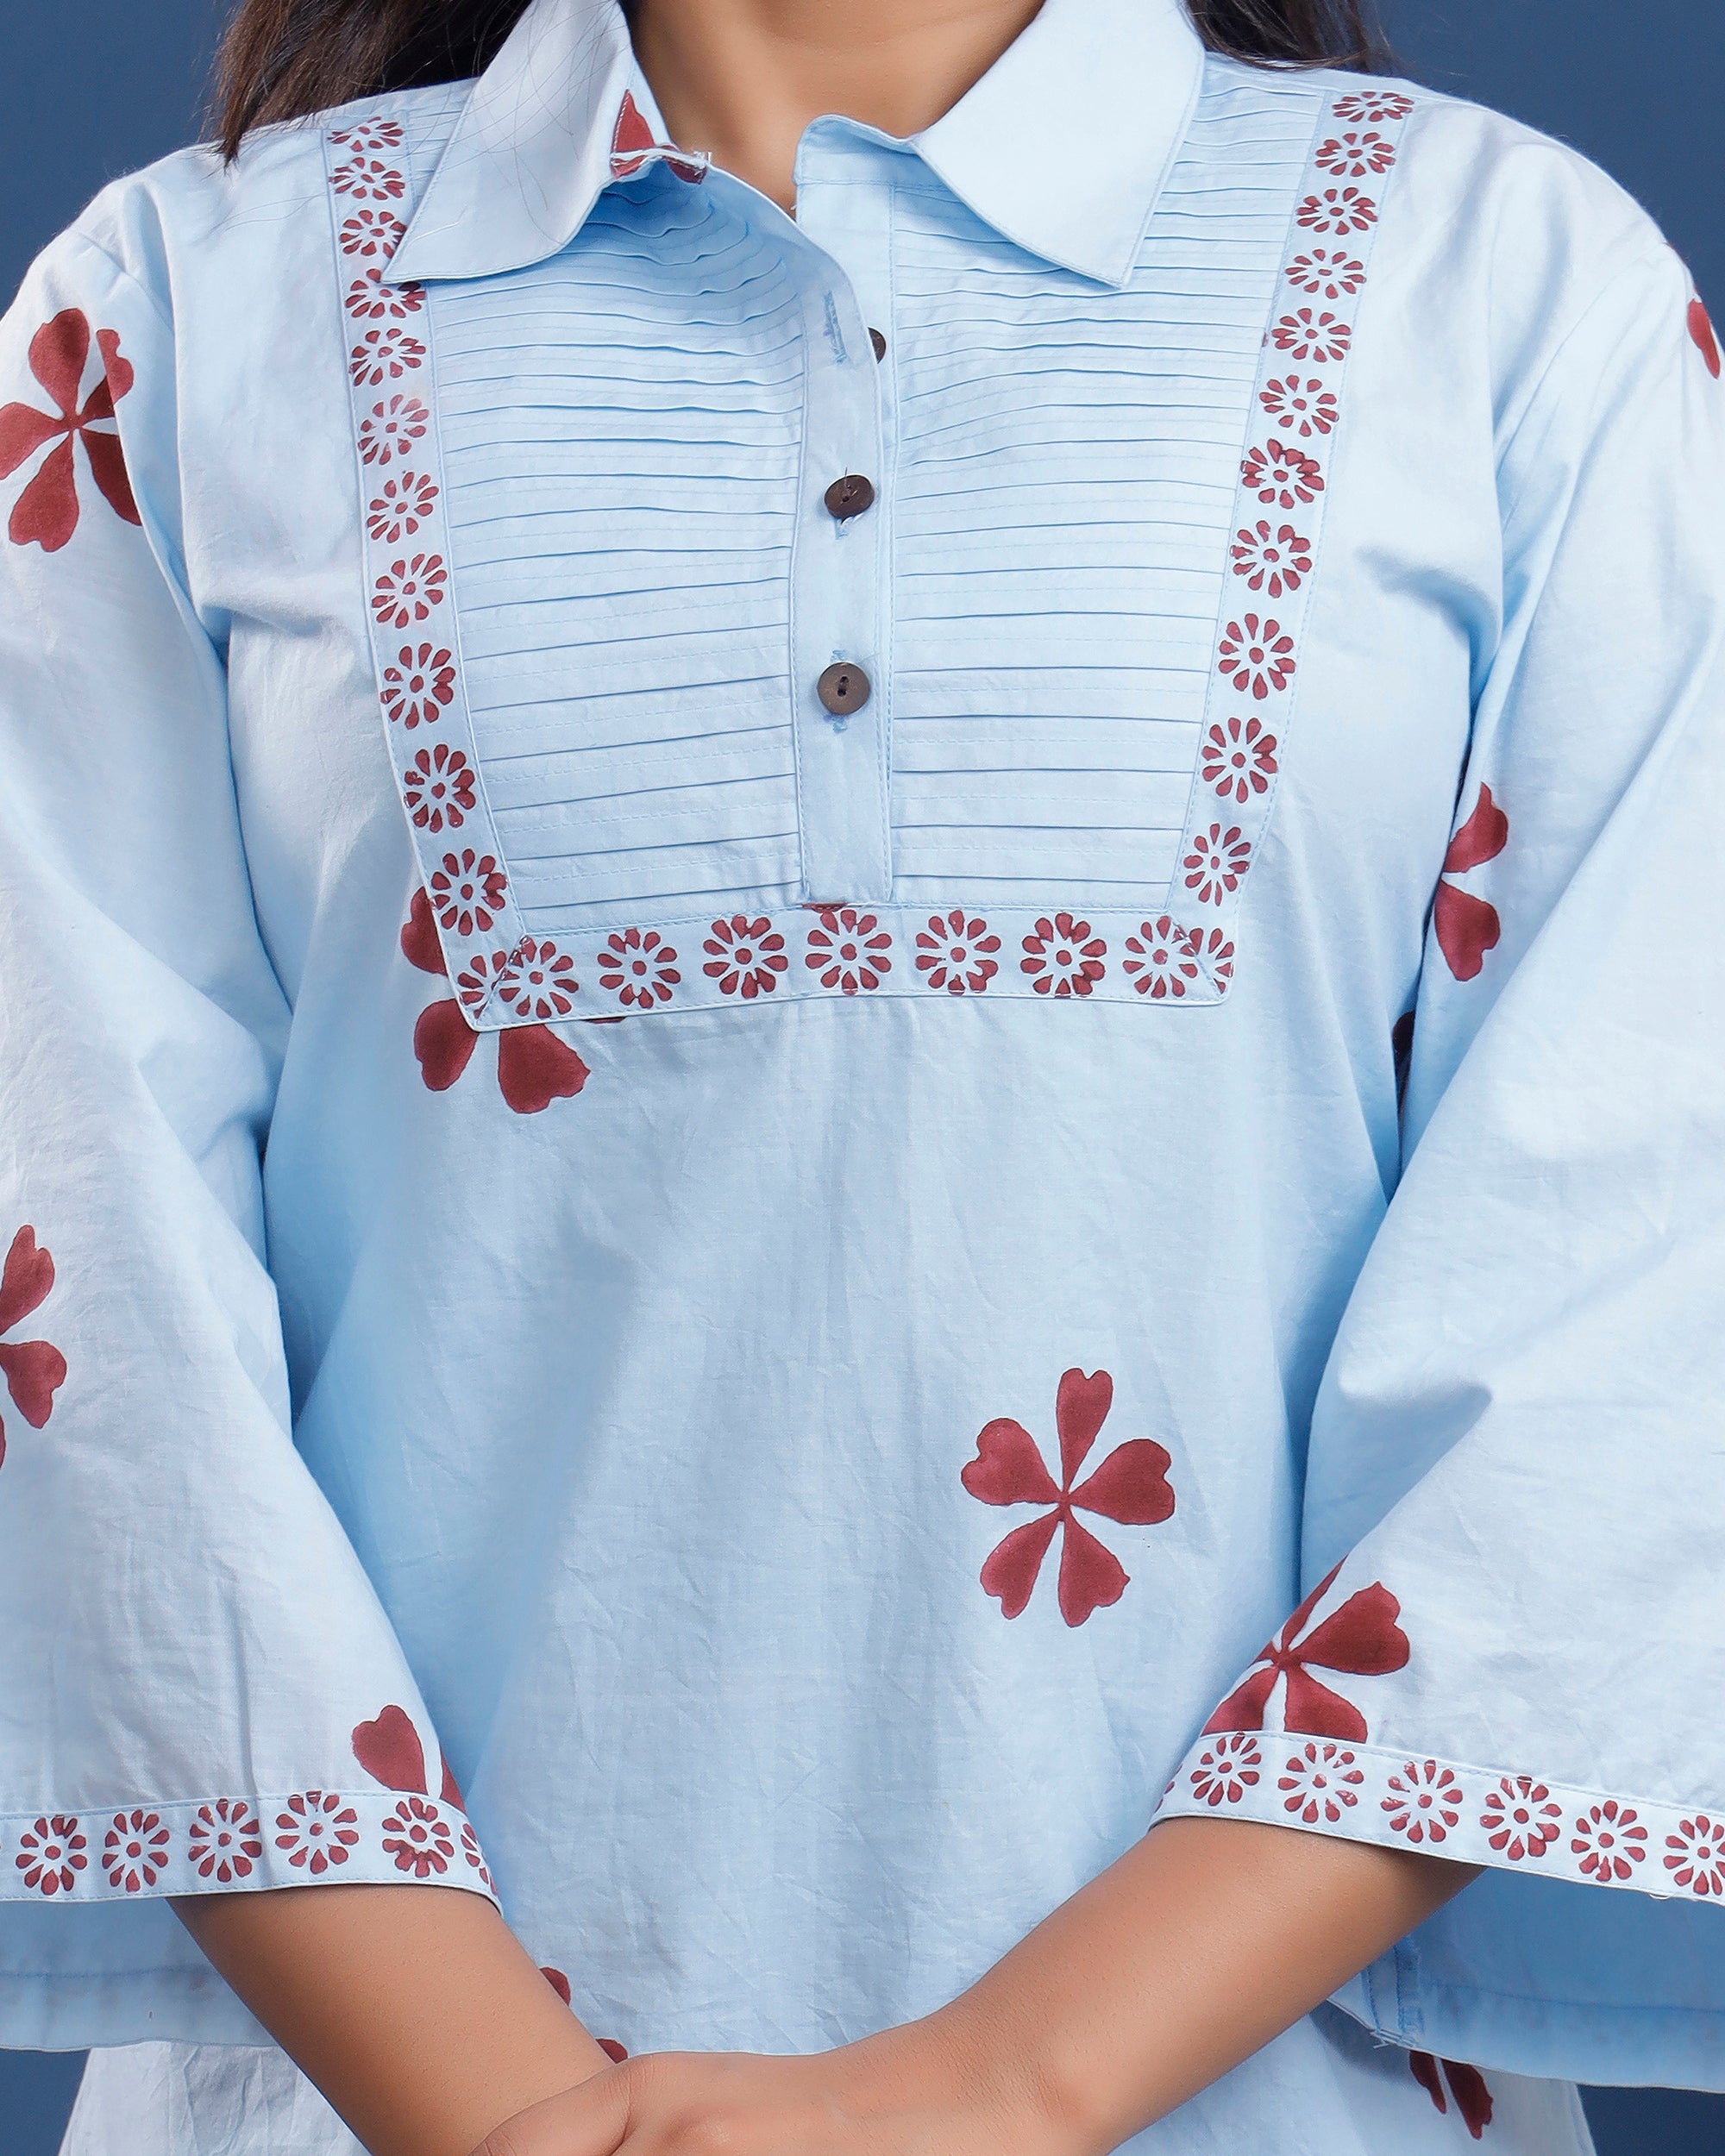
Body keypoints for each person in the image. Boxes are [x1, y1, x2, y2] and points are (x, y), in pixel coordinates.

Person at [2, 0, 1722, 2148]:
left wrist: (1000, 2086)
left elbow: (1637, 1285)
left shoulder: (1515, 294)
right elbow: (82, 1293)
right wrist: (523, 2113)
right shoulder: (173, 313)